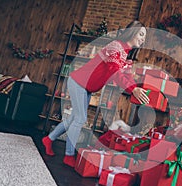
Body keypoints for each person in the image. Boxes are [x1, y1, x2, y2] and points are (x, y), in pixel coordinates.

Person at [42, 20, 150, 167]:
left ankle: (49, 139)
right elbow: (115, 71)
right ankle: (68, 155)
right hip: (78, 82)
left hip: (87, 87)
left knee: (74, 118)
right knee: (80, 119)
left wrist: (135, 88)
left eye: (145, 36)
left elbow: (125, 76)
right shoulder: (116, 46)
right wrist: (133, 89)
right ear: (132, 32)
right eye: (141, 34)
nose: (143, 38)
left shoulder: (126, 54)